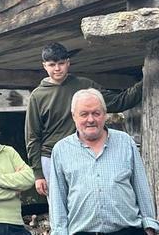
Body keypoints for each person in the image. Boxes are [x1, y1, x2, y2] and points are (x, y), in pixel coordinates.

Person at [26, 42, 141, 205]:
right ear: (44, 66)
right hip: (51, 156)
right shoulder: (37, 96)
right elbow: (32, 136)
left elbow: (118, 102)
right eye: (52, 65)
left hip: (85, 152)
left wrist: (146, 78)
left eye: (61, 63)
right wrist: (38, 174)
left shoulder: (84, 85)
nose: (57, 69)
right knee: (59, 206)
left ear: (68, 63)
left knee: (88, 201)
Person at [48, 89, 159, 235]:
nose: (91, 119)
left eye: (96, 113)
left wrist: (149, 226)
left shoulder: (125, 142)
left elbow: (141, 186)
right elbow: (57, 199)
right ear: (73, 116)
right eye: (84, 114)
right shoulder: (61, 150)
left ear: (105, 115)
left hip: (127, 230)